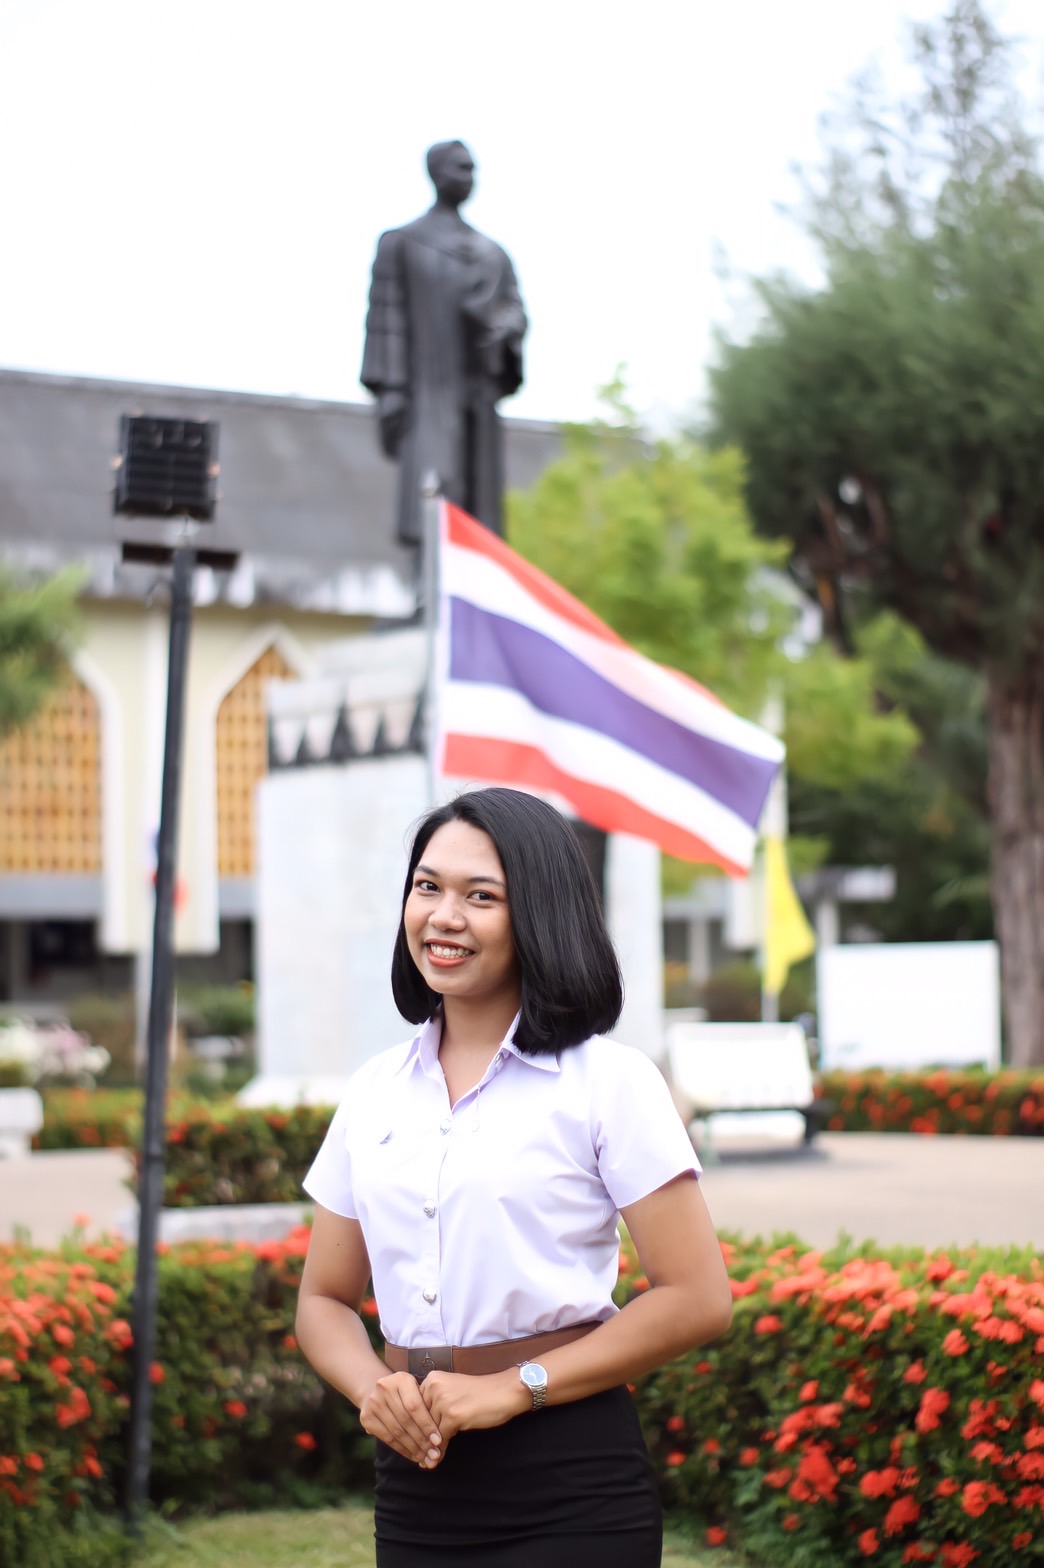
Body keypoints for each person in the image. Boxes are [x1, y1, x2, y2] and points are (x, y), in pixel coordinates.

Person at [296, 787, 732, 1566]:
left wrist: (512, 1387)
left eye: (481, 896)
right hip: (418, 1472)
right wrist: (373, 1392)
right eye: (427, 887)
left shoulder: (609, 1082)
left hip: (569, 1476)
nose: (443, 916)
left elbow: (697, 1297)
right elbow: (323, 1300)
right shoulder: (374, 1091)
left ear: (538, 913)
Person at [360, 141, 527, 546]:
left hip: (477, 396)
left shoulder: (492, 255)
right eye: (461, 168)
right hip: (428, 391)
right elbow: (386, 318)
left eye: (473, 169)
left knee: (478, 504)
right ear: (436, 173)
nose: (469, 177)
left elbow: (516, 310)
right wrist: (393, 390)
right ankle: (429, 575)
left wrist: (506, 329)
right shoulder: (402, 244)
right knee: (433, 494)